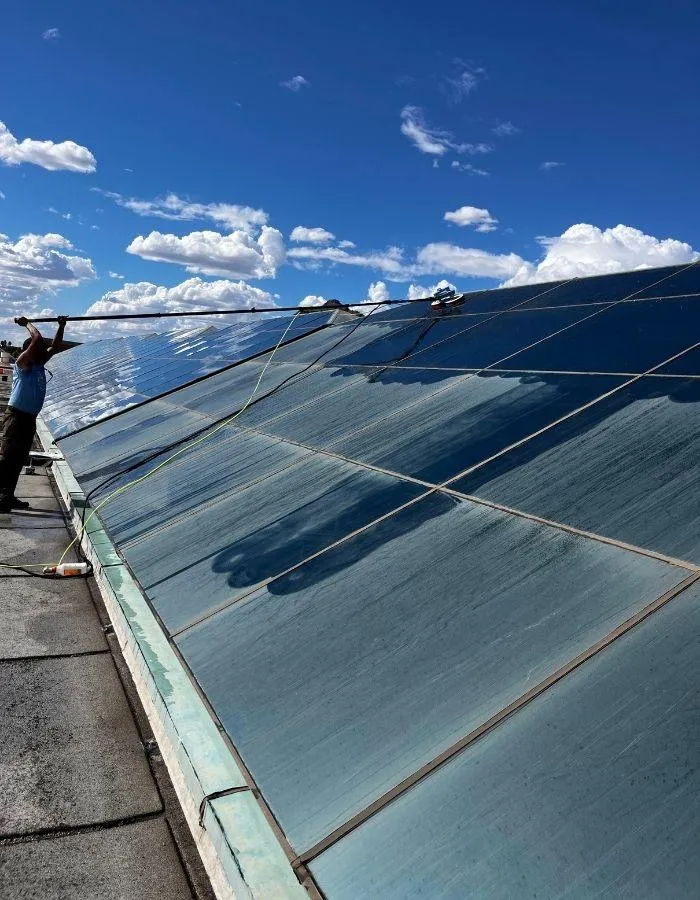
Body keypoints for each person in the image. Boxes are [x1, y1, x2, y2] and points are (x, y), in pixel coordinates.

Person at [0, 315, 66, 512]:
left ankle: (7, 497)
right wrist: (26, 324)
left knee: (19, 458)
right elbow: (37, 339)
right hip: (16, 416)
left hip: (29, 418)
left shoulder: (38, 363)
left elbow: (54, 346)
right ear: (30, 350)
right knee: (7, 457)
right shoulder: (23, 362)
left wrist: (61, 326)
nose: (42, 350)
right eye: (38, 348)